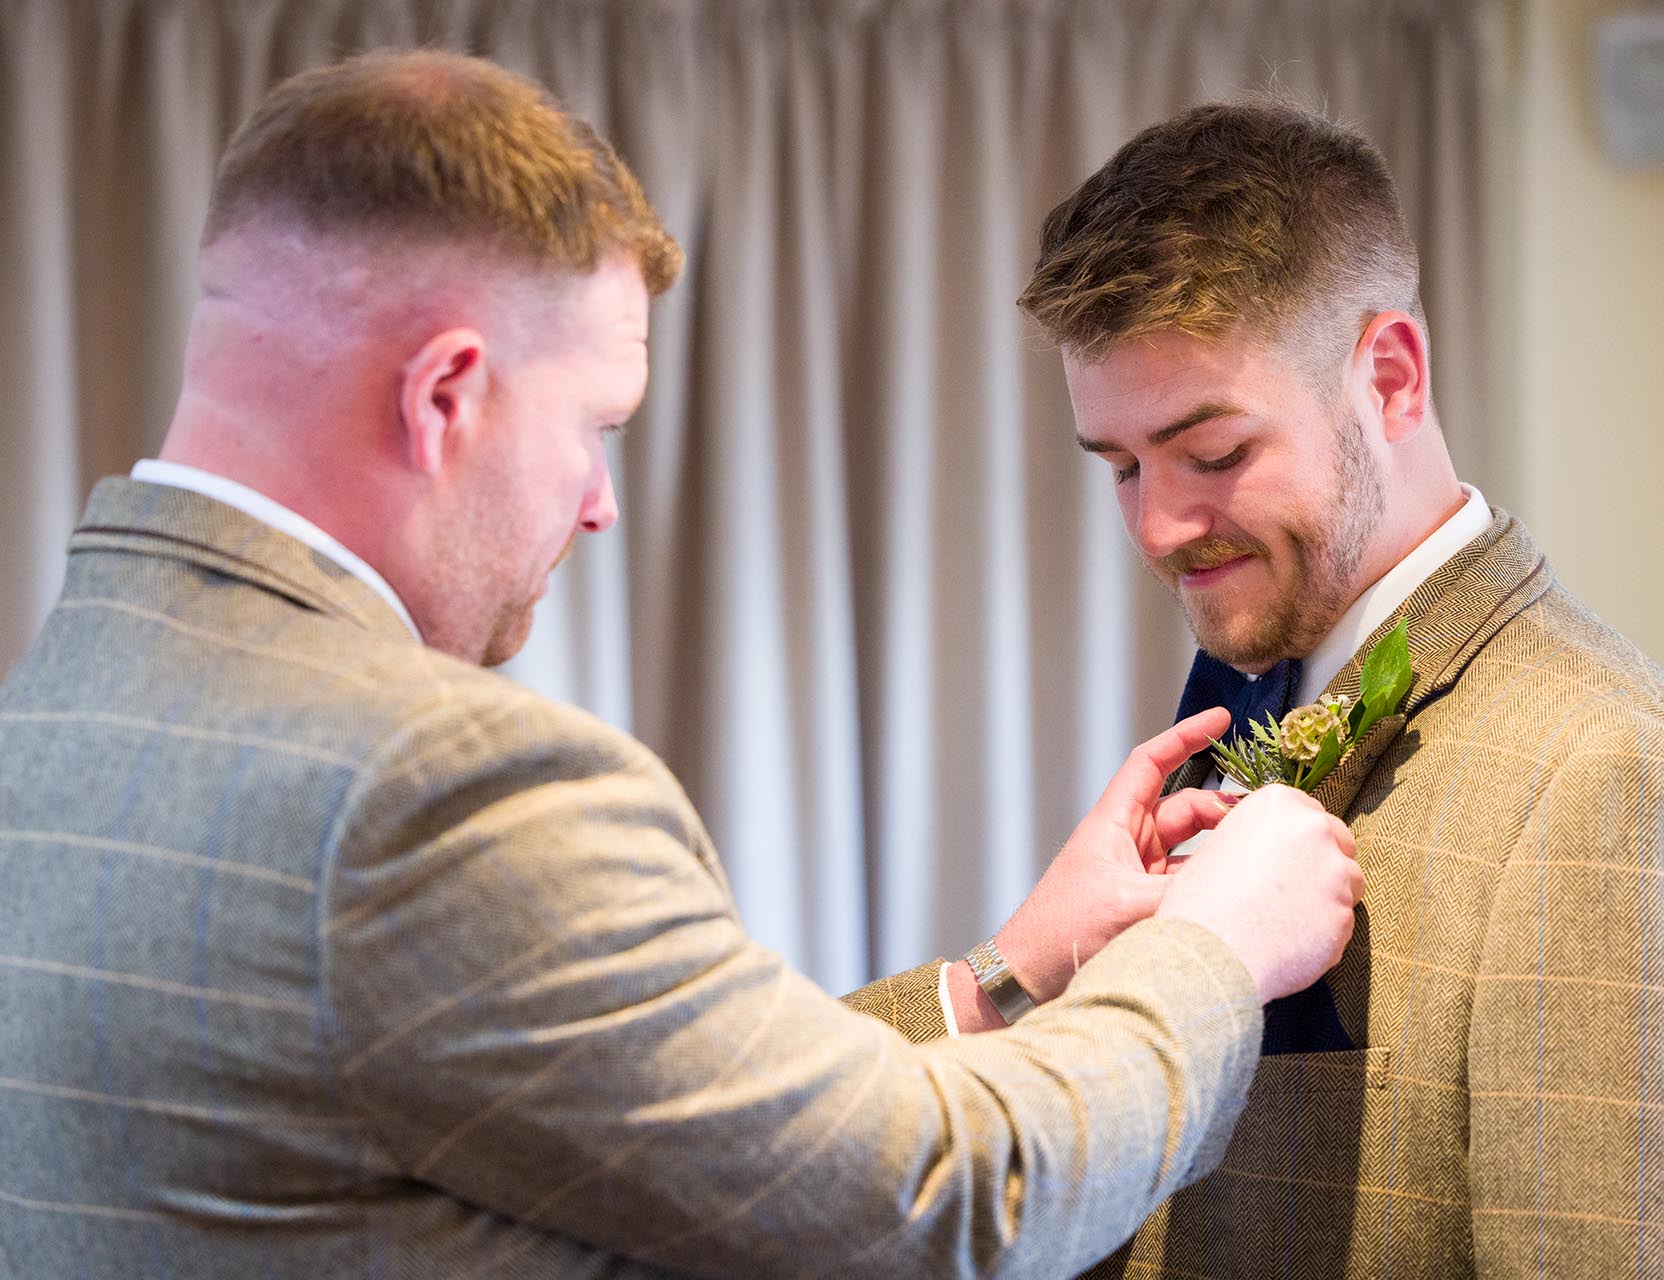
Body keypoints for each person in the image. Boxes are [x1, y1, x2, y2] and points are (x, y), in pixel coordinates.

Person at [0, 53, 1370, 1278]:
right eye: (597, 425)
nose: (599, 502)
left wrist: (1006, 974)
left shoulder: (52, 718)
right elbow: (947, 1206)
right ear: (444, 397)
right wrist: (1209, 946)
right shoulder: (429, 792)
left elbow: (675, 1142)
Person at [850, 100, 1664, 1277]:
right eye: (1122, 466)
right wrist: (1012, 969)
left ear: (1393, 375)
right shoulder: (1233, 721)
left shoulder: (1605, 782)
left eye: (1213, 454)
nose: (1158, 525)